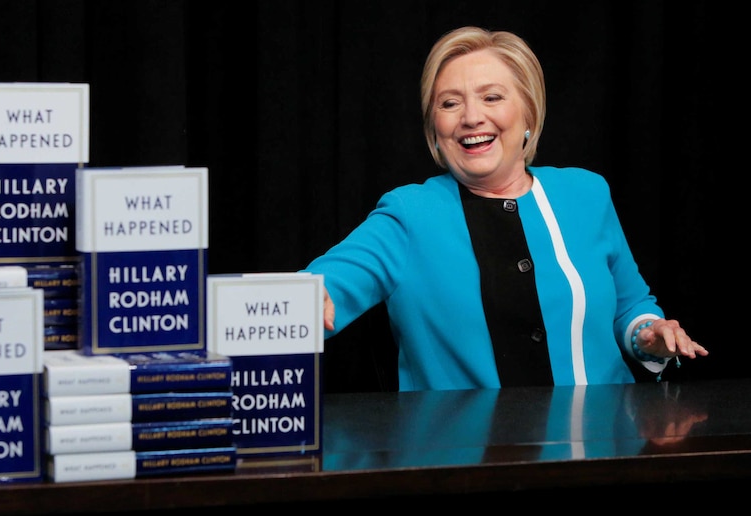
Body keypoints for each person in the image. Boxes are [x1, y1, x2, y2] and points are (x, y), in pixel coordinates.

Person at [303, 26, 708, 391]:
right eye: (449, 104)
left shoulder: (586, 193)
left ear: (528, 112)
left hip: (605, 451)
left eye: (492, 97)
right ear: (435, 129)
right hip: (463, 465)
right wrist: (304, 300)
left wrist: (649, 334)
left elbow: (630, 306)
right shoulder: (410, 214)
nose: (471, 117)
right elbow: (324, 286)